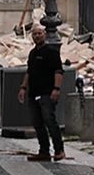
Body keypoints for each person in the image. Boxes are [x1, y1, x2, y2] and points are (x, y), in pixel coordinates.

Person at [18, 24, 65, 161]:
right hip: (34, 92)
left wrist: (56, 89)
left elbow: (58, 71)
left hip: (47, 92)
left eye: (39, 33)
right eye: (35, 34)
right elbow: (29, 72)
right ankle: (44, 151)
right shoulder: (32, 53)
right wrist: (23, 87)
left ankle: (59, 150)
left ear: (44, 34)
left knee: (50, 121)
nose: (37, 36)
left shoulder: (51, 52)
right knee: (37, 123)